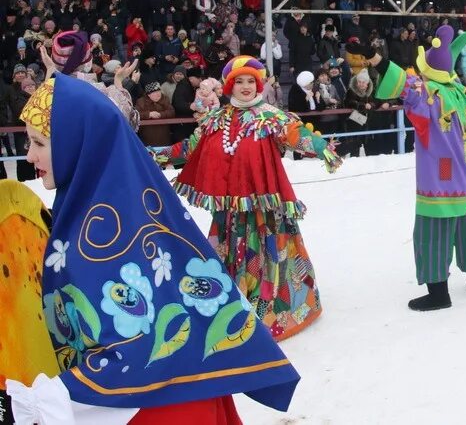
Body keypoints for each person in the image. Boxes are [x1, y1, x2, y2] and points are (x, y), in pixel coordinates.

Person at [1, 74, 298, 424]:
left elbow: (134, 354)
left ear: (75, 143)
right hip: (175, 395)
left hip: (157, 408)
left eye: (38, 142)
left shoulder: (104, 231)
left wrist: (28, 405)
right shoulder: (111, 205)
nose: (29, 154)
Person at [153, 57, 342, 341]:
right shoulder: (216, 120)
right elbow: (189, 148)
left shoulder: (271, 117)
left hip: (265, 211)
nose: (245, 87)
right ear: (229, 86)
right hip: (230, 213)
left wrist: (321, 148)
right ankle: (230, 306)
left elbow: (296, 135)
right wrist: (155, 156)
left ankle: (275, 310)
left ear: (259, 84)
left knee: (270, 259)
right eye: (239, 81)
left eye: (250, 81)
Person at [352, 26, 466, 311]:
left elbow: (401, 81)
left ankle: (438, 293)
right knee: (464, 226)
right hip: (463, 175)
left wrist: (375, 57)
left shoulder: (429, 92)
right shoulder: (460, 94)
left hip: (441, 175)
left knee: (432, 233)